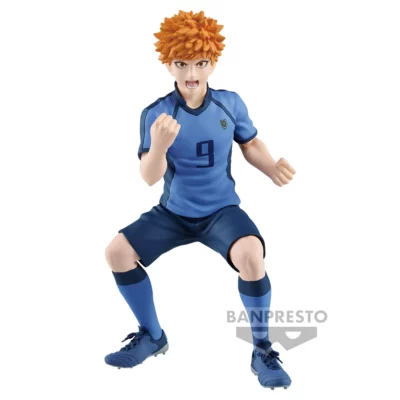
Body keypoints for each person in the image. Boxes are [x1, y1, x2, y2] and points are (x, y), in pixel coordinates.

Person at [104, 10, 296, 390]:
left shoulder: (230, 104)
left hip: (221, 211)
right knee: (117, 253)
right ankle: (152, 335)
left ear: (213, 62)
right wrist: (159, 145)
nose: (191, 73)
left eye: (200, 63)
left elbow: (250, 143)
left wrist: (271, 166)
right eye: (181, 63)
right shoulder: (157, 113)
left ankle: (262, 350)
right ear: (168, 63)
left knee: (252, 255)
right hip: (173, 213)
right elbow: (149, 177)